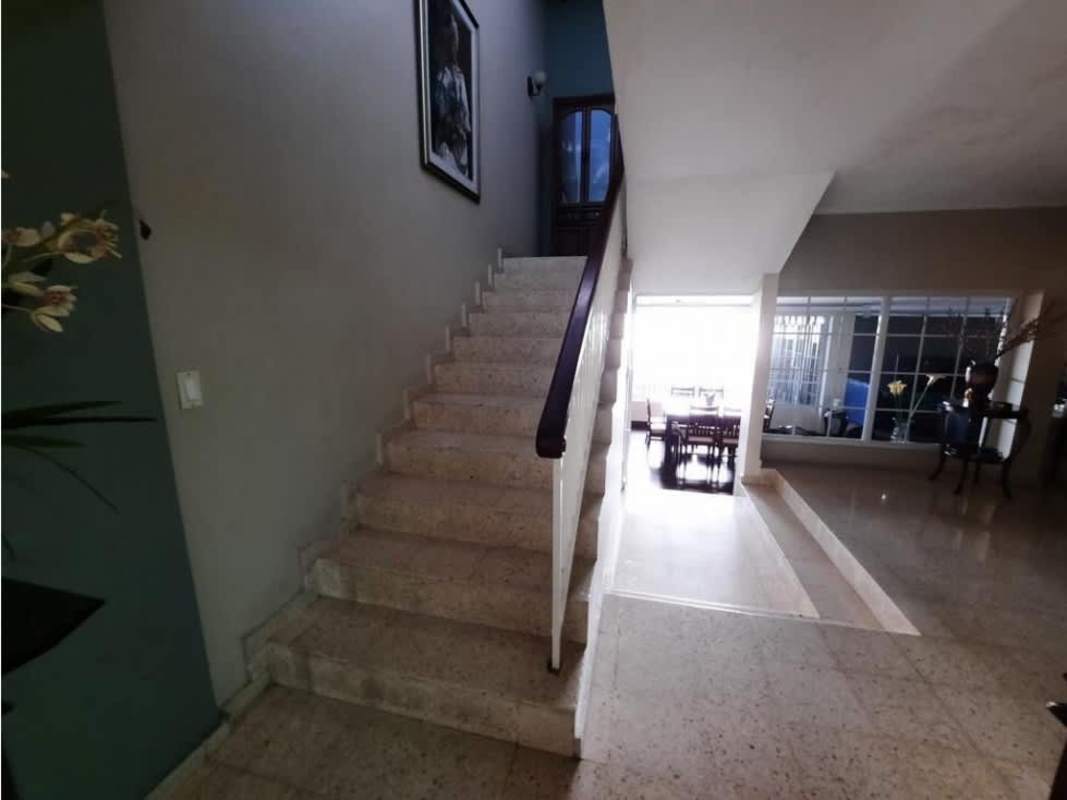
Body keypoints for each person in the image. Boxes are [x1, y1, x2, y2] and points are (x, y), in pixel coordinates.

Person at [431, 13, 471, 177]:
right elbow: (442, 116)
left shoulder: (458, 76)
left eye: (456, 41)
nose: (455, 45)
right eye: (453, 40)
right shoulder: (443, 77)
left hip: (459, 150)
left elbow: (466, 124)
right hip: (447, 149)